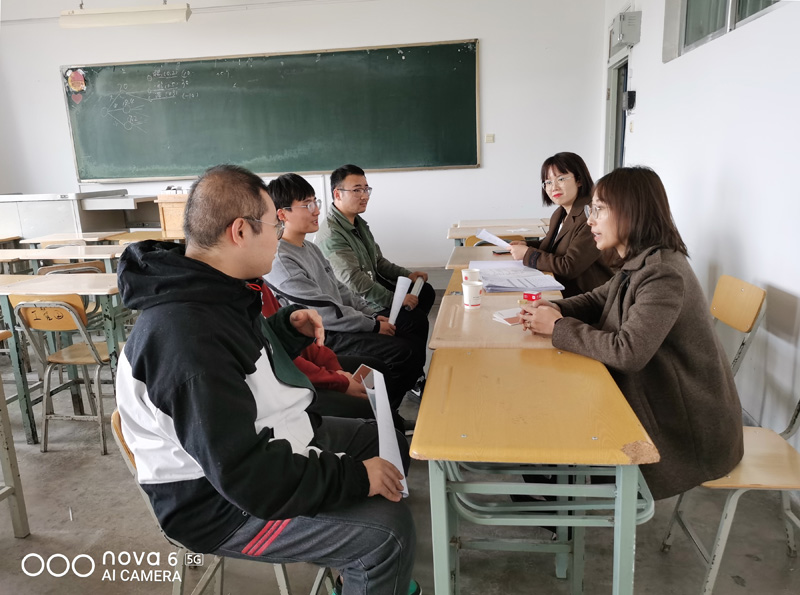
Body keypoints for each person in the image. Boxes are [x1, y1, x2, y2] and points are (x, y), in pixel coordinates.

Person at [115, 164, 420, 595]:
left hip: (273, 435)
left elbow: (241, 364)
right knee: (387, 534)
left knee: (386, 443)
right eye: (274, 226)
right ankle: (367, 565)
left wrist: (283, 331)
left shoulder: (216, 289)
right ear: (240, 231)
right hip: (220, 505)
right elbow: (247, 475)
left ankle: (358, 571)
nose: (280, 236)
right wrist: (354, 478)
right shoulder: (185, 337)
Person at [519, 166, 744, 500]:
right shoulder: (642, 260)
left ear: (630, 212)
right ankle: (559, 489)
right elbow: (599, 298)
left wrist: (557, 326)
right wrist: (556, 308)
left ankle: (563, 498)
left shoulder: (663, 273)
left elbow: (627, 353)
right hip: (655, 395)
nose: (591, 221)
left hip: (686, 425)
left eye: (599, 210)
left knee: (555, 407)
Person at [263, 173, 425, 411]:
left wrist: (372, 315)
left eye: (316, 202)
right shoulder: (282, 260)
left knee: (409, 338)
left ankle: (388, 412)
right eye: (307, 205)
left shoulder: (310, 248)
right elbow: (324, 311)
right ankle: (384, 415)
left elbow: (339, 289)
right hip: (324, 334)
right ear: (282, 214)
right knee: (403, 353)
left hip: (340, 325)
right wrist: (372, 325)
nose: (317, 210)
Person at [316, 164, 434, 365]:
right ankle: (410, 367)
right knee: (414, 321)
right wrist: (395, 300)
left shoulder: (358, 223)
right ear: (337, 194)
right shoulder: (332, 235)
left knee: (425, 292)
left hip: (374, 289)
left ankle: (411, 356)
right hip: (361, 304)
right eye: (357, 190)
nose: (365, 196)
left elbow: (378, 261)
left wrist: (408, 274)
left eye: (366, 189)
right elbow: (354, 282)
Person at [509, 152, 617, 298]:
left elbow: (569, 267)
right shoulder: (560, 213)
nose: (553, 187)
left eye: (560, 179)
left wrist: (528, 254)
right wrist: (527, 245)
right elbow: (555, 245)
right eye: (548, 182)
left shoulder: (591, 216)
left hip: (585, 296)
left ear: (579, 180)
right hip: (559, 287)